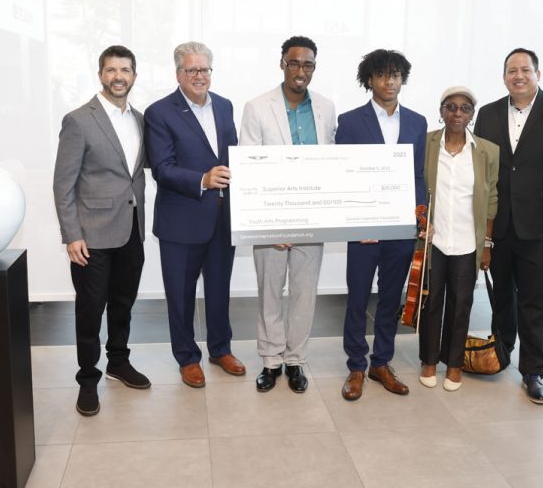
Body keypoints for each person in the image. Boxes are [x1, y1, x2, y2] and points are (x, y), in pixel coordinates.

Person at [474, 48, 543, 404]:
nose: (518, 75)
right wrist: (482, 225)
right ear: (504, 76)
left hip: (541, 225)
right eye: (512, 70)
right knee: (502, 297)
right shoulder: (488, 113)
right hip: (500, 224)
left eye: (525, 69)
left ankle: (533, 371)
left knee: (536, 300)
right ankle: (500, 352)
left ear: (538, 74)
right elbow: (482, 172)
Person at [53, 45, 150, 416]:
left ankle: (118, 362)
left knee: (123, 304)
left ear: (134, 76)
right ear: (100, 75)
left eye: (125, 70)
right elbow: (63, 185)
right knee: (90, 311)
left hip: (131, 230)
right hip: (91, 237)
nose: (118, 76)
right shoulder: (78, 120)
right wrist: (72, 235)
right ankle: (88, 379)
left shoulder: (140, 119)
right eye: (111, 70)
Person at [144, 41, 245, 388]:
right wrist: (202, 179)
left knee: (219, 290)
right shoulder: (159, 112)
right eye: (192, 70)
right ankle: (187, 358)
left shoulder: (225, 106)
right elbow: (162, 168)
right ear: (178, 74)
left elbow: (232, 157)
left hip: (222, 218)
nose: (199, 76)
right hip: (181, 221)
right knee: (181, 294)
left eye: (204, 69)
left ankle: (221, 349)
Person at [239, 36, 337, 393]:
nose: (301, 70)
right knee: (269, 291)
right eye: (294, 62)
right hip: (271, 217)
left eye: (308, 64)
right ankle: (270, 360)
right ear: (282, 63)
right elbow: (249, 166)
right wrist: (269, 224)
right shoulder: (256, 107)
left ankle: (295, 360)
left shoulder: (326, 107)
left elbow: (331, 162)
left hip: (312, 216)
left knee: (303, 293)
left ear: (314, 67)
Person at [336, 49, 427, 401]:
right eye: (382, 75)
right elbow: (343, 174)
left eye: (395, 75)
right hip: (363, 228)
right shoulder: (350, 121)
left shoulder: (417, 122)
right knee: (358, 298)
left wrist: (420, 216)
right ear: (369, 80)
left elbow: (418, 175)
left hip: (401, 227)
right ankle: (356, 366)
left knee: (390, 298)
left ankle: (381, 362)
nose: (389, 81)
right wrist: (353, 223)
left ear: (403, 79)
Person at [418, 86, 499, 392]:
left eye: (465, 108)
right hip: (434, 241)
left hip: (468, 242)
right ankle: (428, 360)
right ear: (441, 111)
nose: (457, 113)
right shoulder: (426, 144)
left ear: (471, 115)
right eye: (451, 107)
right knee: (431, 302)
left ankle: (453, 364)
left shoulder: (488, 152)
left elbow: (491, 199)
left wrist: (487, 244)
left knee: (461, 304)